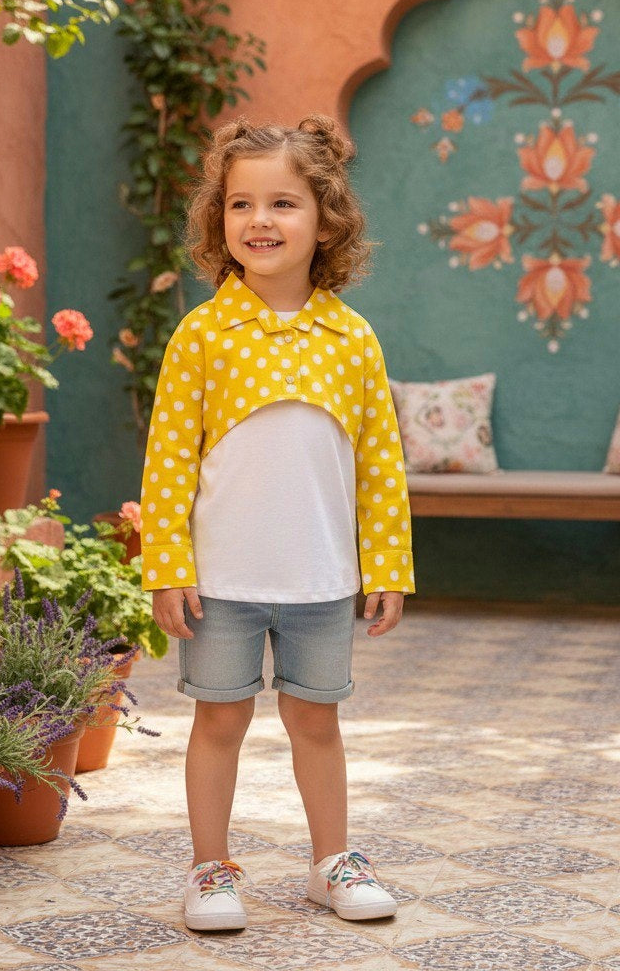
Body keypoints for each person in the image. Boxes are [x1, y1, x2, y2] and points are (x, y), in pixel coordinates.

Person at [140, 114, 414, 932]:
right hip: (221, 580)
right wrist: (167, 565)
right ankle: (210, 870)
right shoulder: (202, 336)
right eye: (240, 205)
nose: (260, 221)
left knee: (315, 721)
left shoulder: (351, 339)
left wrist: (388, 567)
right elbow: (168, 461)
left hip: (321, 578)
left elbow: (380, 465)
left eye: (284, 203)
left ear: (326, 219)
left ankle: (331, 862)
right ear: (218, 221)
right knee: (218, 720)